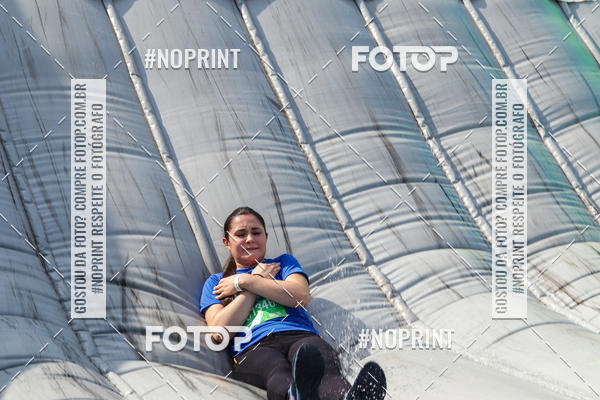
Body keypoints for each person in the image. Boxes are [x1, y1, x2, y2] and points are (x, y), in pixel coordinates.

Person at [200, 206, 386, 400]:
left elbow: (300, 296)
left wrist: (247, 281)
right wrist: (252, 282)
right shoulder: (217, 282)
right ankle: (294, 395)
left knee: (321, 365)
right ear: (227, 242)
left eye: (256, 232)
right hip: (252, 347)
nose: (250, 239)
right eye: (240, 234)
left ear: (265, 237)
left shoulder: (282, 263)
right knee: (276, 369)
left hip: (299, 335)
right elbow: (219, 332)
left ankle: (347, 396)